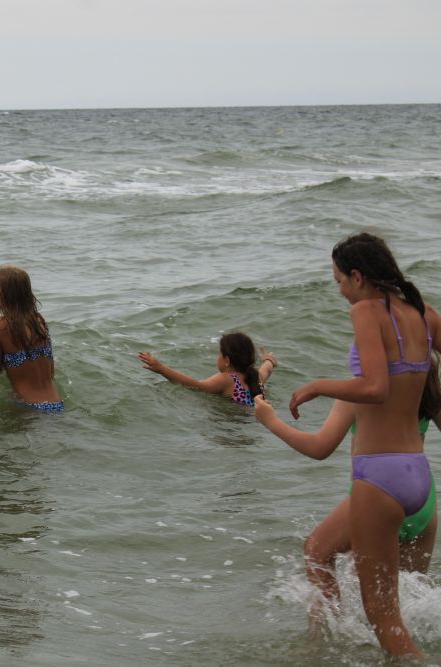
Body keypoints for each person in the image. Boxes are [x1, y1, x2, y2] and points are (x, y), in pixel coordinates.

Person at [285, 232, 441, 658]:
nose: (340, 291)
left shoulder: (367, 310)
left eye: (339, 281)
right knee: (391, 618)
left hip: (380, 474)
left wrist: (317, 385)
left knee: (387, 624)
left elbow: (374, 387)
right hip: (418, 472)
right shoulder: (422, 312)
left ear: (358, 277)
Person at [255, 356, 440, 629]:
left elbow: (320, 447)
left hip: (378, 492)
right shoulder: (423, 386)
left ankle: (325, 641)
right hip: (423, 499)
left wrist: (271, 421)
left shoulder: (358, 392)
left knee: (317, 551)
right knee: (403, 605)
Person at [0, 265, 63, 413]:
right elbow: (51, 372)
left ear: (5, 293)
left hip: (29, 407)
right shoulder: (39, 322)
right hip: (56, 404)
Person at [138, 332, 276, 407]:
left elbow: (195, 385)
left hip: (234, 422)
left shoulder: (226, 379)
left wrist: (162, 369)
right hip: (254, 419)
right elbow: (267, 369)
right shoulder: (256, 376)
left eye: (219, 354)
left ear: (227, 360)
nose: (217, 358)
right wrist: (268, 359)